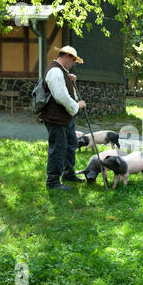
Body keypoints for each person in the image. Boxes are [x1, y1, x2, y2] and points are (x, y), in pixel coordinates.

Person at [39, 46, 87, 191]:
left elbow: (65, 89)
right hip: (56, 118)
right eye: (73, 60)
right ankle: (53, 182)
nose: (74, 64)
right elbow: (61, 96)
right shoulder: (54, 72)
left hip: (64, 118)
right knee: (58, 149)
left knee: (71, 145)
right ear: (66, 56)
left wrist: (70, 78)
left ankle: (68, 174)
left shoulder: (61, 72)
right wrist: (77, 106)